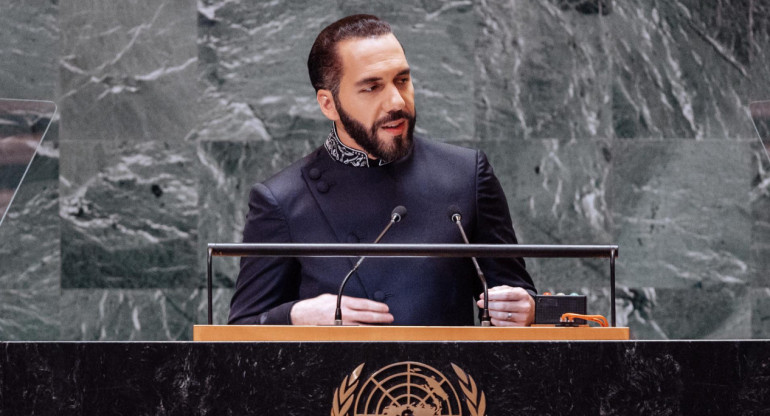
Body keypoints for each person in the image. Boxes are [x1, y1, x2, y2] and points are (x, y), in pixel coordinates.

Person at [228, 14, 536, 326]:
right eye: (372, 87)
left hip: (448, 375)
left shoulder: (467, 175)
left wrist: (528, 310)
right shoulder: (282, 199)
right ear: (328, 104)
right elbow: (239, 331)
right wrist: (295, 316)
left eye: (402, 80)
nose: (396, 101)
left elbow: (518, 297)